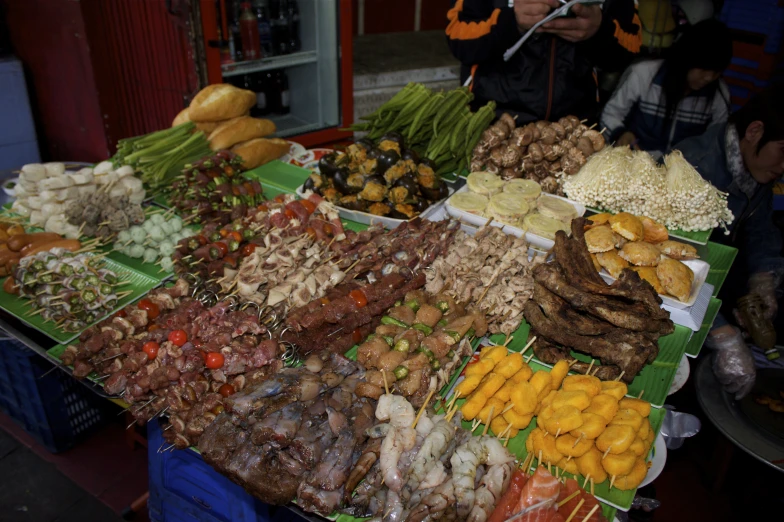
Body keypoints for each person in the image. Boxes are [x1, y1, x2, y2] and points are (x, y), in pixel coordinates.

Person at [676, 85, 784, 398]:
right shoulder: (694, 168)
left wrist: (764, 278)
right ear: (754, 130)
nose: (783, 168)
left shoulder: (756, 166)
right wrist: (722, 334)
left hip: (714, 276)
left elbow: (763, 230)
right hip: (680, 291)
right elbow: (673, 267)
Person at [446, 0, 642, 122]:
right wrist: (510, 21)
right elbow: (457, 38)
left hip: (574, 132)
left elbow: (630, 46)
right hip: (492, 124)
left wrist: (599, 30)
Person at [601, 18, 732, 156]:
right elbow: (611, 113)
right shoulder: (643, 75)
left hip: (682, 172)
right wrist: (620, 133)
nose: (709, 78)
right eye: (704, 69)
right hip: (635, 162)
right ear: (687, 58)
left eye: (716, 72)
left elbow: (717, 143)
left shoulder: (719, 95)